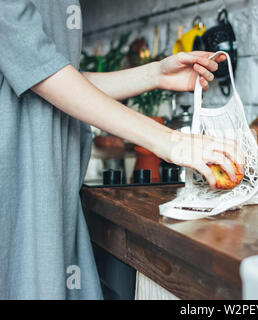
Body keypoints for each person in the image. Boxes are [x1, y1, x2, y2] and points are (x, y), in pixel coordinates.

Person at [0, 0, 244, 299]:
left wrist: (155, 75)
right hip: (16, 185)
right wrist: (170, 140)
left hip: (50, 189)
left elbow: (57, 78)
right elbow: (42, 73)